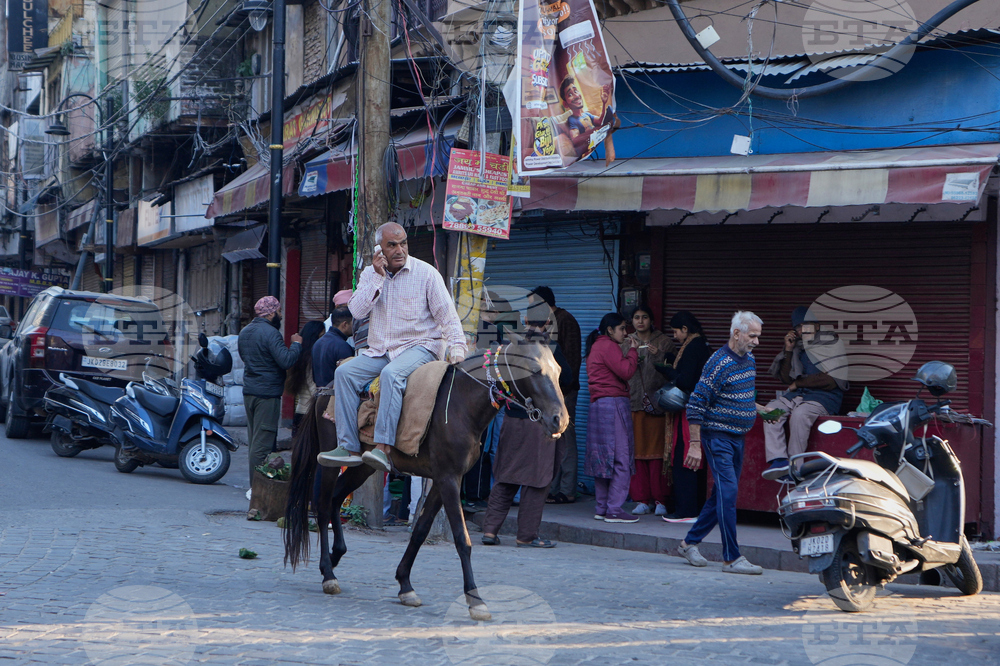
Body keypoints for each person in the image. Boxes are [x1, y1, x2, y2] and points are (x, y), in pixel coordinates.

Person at [317, 222, 467, 473]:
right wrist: (378, 277)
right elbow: (356, 311)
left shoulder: (426, 273)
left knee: (391, 375)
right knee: (343, 374)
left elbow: (448, 317)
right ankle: (349, 448)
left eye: (403, 243)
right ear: (380, 250)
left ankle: (383, 448)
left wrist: (458, 350)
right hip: (381, 350)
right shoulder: (369, 274)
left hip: (422, 346)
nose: (400, 250)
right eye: (392, 245)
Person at [677, 311, 765, 575]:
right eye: (753, 336)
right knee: (728, 494)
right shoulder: (717, 362)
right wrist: (695, 444)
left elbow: (741, 397)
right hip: (718, 438)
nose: (757, 342)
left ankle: (689, 542)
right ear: (736, 333)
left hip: (739, 437)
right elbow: (696, 403)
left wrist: (760, 410)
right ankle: (731, 557)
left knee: (721, 495)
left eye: (758, 336)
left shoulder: (749, 360)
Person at [481, 322, 573, 548]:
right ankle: (526, 535)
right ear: (548, 325)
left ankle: (490, 531)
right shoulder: (547, 348)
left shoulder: (510, 350)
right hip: (539, 423)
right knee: (537, 481)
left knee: (506, 477)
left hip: (512, 421)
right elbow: (568, 378)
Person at [761, 306, 848, 480]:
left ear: (817, 326)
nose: (802, 330)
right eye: (798, 327)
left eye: (806, 325)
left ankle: (795, 467)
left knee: (800, 415)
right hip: (798, 395)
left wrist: (798, 383)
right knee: (769, 410)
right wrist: (788, 349)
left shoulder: (831, 343)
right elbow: (786, 379)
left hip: (824, 397)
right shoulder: (798, 348)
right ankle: (779, 461)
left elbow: (831, 380)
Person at [238, 296, 302, 486]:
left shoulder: (245, 332)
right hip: (267, 394)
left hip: (250, 391)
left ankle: (258, 485)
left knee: (255, 440)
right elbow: (286, 361)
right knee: (262, 445)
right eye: (279, 312)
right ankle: (257, 488)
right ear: (272, 313)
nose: (281, 316)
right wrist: (296, 344)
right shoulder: (270, 333)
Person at [583, 312, 639, 523]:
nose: (625, 333)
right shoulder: (608, 346)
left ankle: (602, 507)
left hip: (598, 405)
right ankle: (614, 509)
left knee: (602, 458)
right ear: (610, 330)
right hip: (614, 404)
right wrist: (633, 352)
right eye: (622, 329)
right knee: (621, 458)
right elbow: (625, 371)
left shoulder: (597, 346)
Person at [657, 311, 713, 522]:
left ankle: (686, 510)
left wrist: (666, 371)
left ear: (685, 329)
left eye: (675, 331)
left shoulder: (692, 348)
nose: (675, 336)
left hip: (690, 410)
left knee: (685, 457)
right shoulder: (701, 346)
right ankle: (694, 507)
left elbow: (686, 380)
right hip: (699, 410)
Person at [528, 286, 581, 505]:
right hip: (548, 393)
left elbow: (570, 361)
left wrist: (563, 393)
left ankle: (567, 490)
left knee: (566, 440)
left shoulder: (564, 320)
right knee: (552, 440)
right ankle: (553, 488)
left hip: (563, 392)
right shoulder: (542, 324)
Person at [622, 305, 674, 516]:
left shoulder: (664, 341)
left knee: (658, 455)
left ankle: (660, 499)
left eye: (644, 317)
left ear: (651, 320)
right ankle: (642, 499)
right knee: (637, 454)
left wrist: (659, 355)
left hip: (657, 406)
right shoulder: (625, 342)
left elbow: (674, 369)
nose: (640, 321)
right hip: (633, 403)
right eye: (636, 318)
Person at [285, 320, 325, 436]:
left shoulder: (300, 356)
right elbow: (314, 387)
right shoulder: (311, 359)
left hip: (301, 410)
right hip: (309, 413)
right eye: (321, 336)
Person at [558, 77, 611, 157]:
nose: (576, 96)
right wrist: (592, 132)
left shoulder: (587, 114)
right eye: (570, 94)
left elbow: (600, 121)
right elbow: (575, 140)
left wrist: (604, 103)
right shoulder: (572, 119)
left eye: (575, 91)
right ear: (565, 104)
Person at [312, 306, 354, 388]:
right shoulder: (342, 346)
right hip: (334, 395)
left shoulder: (318, 343)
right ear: (345, 324)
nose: (355, 327)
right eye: (353, 323)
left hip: (319, 395)